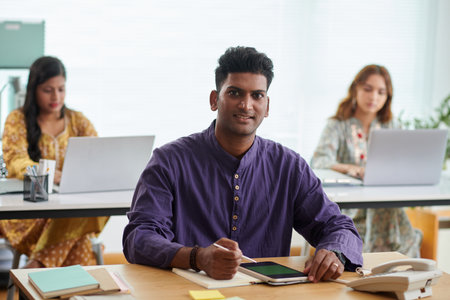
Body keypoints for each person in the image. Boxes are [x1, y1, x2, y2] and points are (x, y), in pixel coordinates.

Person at [123, 46, 363, 283]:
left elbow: (336, 225)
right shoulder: (169, 161)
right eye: (235, 93)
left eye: (257, 95)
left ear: (267, 106)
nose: (246, 105)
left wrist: (335, 253)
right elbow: (140, 237)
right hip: (187, 292)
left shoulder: (289, 166)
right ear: (215, 100)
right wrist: (197, 257)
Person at [0, 56, 108, 268]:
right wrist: (46, 173)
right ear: (33, 89)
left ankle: (36, 269)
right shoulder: (17, 119)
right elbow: (14, 160)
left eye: (61, 89)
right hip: (30, 211)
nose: (56, 96)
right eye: (48, 90)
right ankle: (60, 287)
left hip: (69, 205)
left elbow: (98, 157)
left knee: (81, 216)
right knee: (80, 235)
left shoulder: (78, 121)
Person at [310, 64, 422, 257]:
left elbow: (402, 165)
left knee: (409, 240)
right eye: (368, 89)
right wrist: (351, 169)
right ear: (356, 89)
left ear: (388, 97)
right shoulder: (337, 125)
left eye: (381, 92)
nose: (373, 97)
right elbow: (319, 161)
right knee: (349, 244)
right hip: (351, 207)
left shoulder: (392, 125)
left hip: (387, 208)